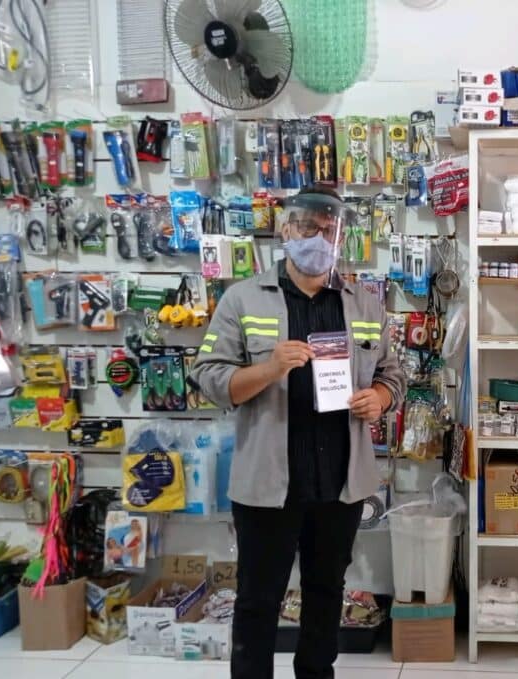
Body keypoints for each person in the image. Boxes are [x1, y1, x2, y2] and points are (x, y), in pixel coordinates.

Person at [190, 187, 406, 679]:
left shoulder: (365, 305)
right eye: (309, 227)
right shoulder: (242, 299)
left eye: (330, 230)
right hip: (267, 486)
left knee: (326, 592)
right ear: (285, 229)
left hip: (339, 483)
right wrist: (268, 369)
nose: (320, 238)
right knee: (258, 599)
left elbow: (392, 374)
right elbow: (210, 379)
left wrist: (380, 398)